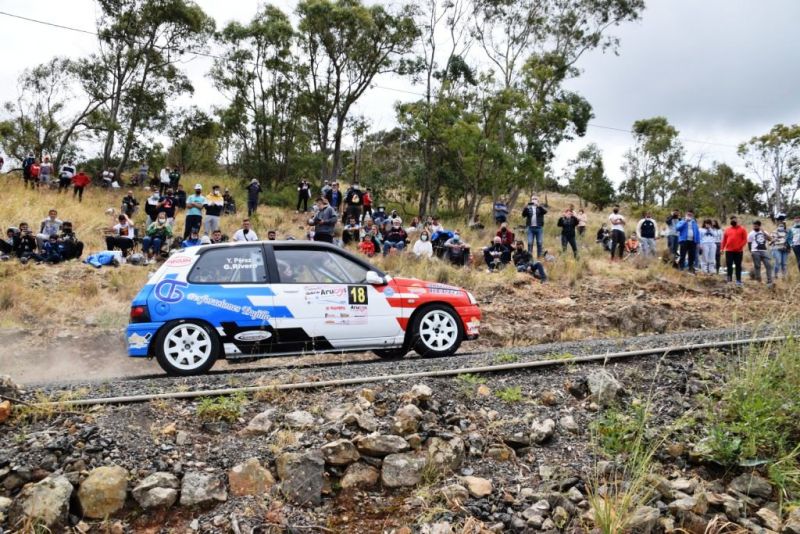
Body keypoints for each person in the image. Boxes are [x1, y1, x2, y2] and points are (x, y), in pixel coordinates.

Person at [721, 216, 748, 286]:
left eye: (734, 219)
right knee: (729, 265)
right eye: (731, 220)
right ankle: (729, 280)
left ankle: (738, 280)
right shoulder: (727, 230)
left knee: (738, 265)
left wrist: (739, 246)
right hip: (729, 251)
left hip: (738, 251)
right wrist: (722, 249)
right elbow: (724, 240)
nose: (733, 221)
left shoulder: (742, 229)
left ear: (737, 220)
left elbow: (745, 240)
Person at [748, 220, 774, 287]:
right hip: (755, 251)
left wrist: (763, 232)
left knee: (768, 265)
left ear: (759, 226)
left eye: (756, 226)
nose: (754, 227)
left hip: (764, 251)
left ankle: (769, 281)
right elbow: (749, 243)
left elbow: (770, 239)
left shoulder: (764, 232)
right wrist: (751, 251)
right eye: (754, 226)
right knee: (757, 266)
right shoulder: (751, 233)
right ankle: (758, 281)